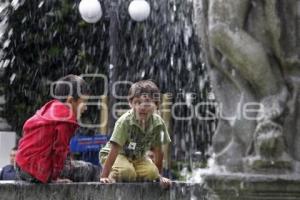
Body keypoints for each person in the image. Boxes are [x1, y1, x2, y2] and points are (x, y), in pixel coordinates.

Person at [15, 74, 89, 183]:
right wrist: (55, 178)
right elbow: (60, 151)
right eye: (84, 102)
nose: (86, 108)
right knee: (88, 169)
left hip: (21, 166)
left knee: (72, 164)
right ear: (70, 101)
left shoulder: (49, 108)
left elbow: (27, 129)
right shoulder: (66, 118)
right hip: (37, 170)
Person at [99, 80, 172, 188]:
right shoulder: (124, 121)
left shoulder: (158, 124)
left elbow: (158, 152)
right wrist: (104, 176)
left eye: (147, 103)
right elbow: (114, 150)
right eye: (137, 102)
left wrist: (158, 177)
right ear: (130, 103)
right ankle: (113, 174)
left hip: (138, 158)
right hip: (116, 154)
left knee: (152, 173)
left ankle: (132, 174)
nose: (142, 107)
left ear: (156, 105)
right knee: (127, 172)